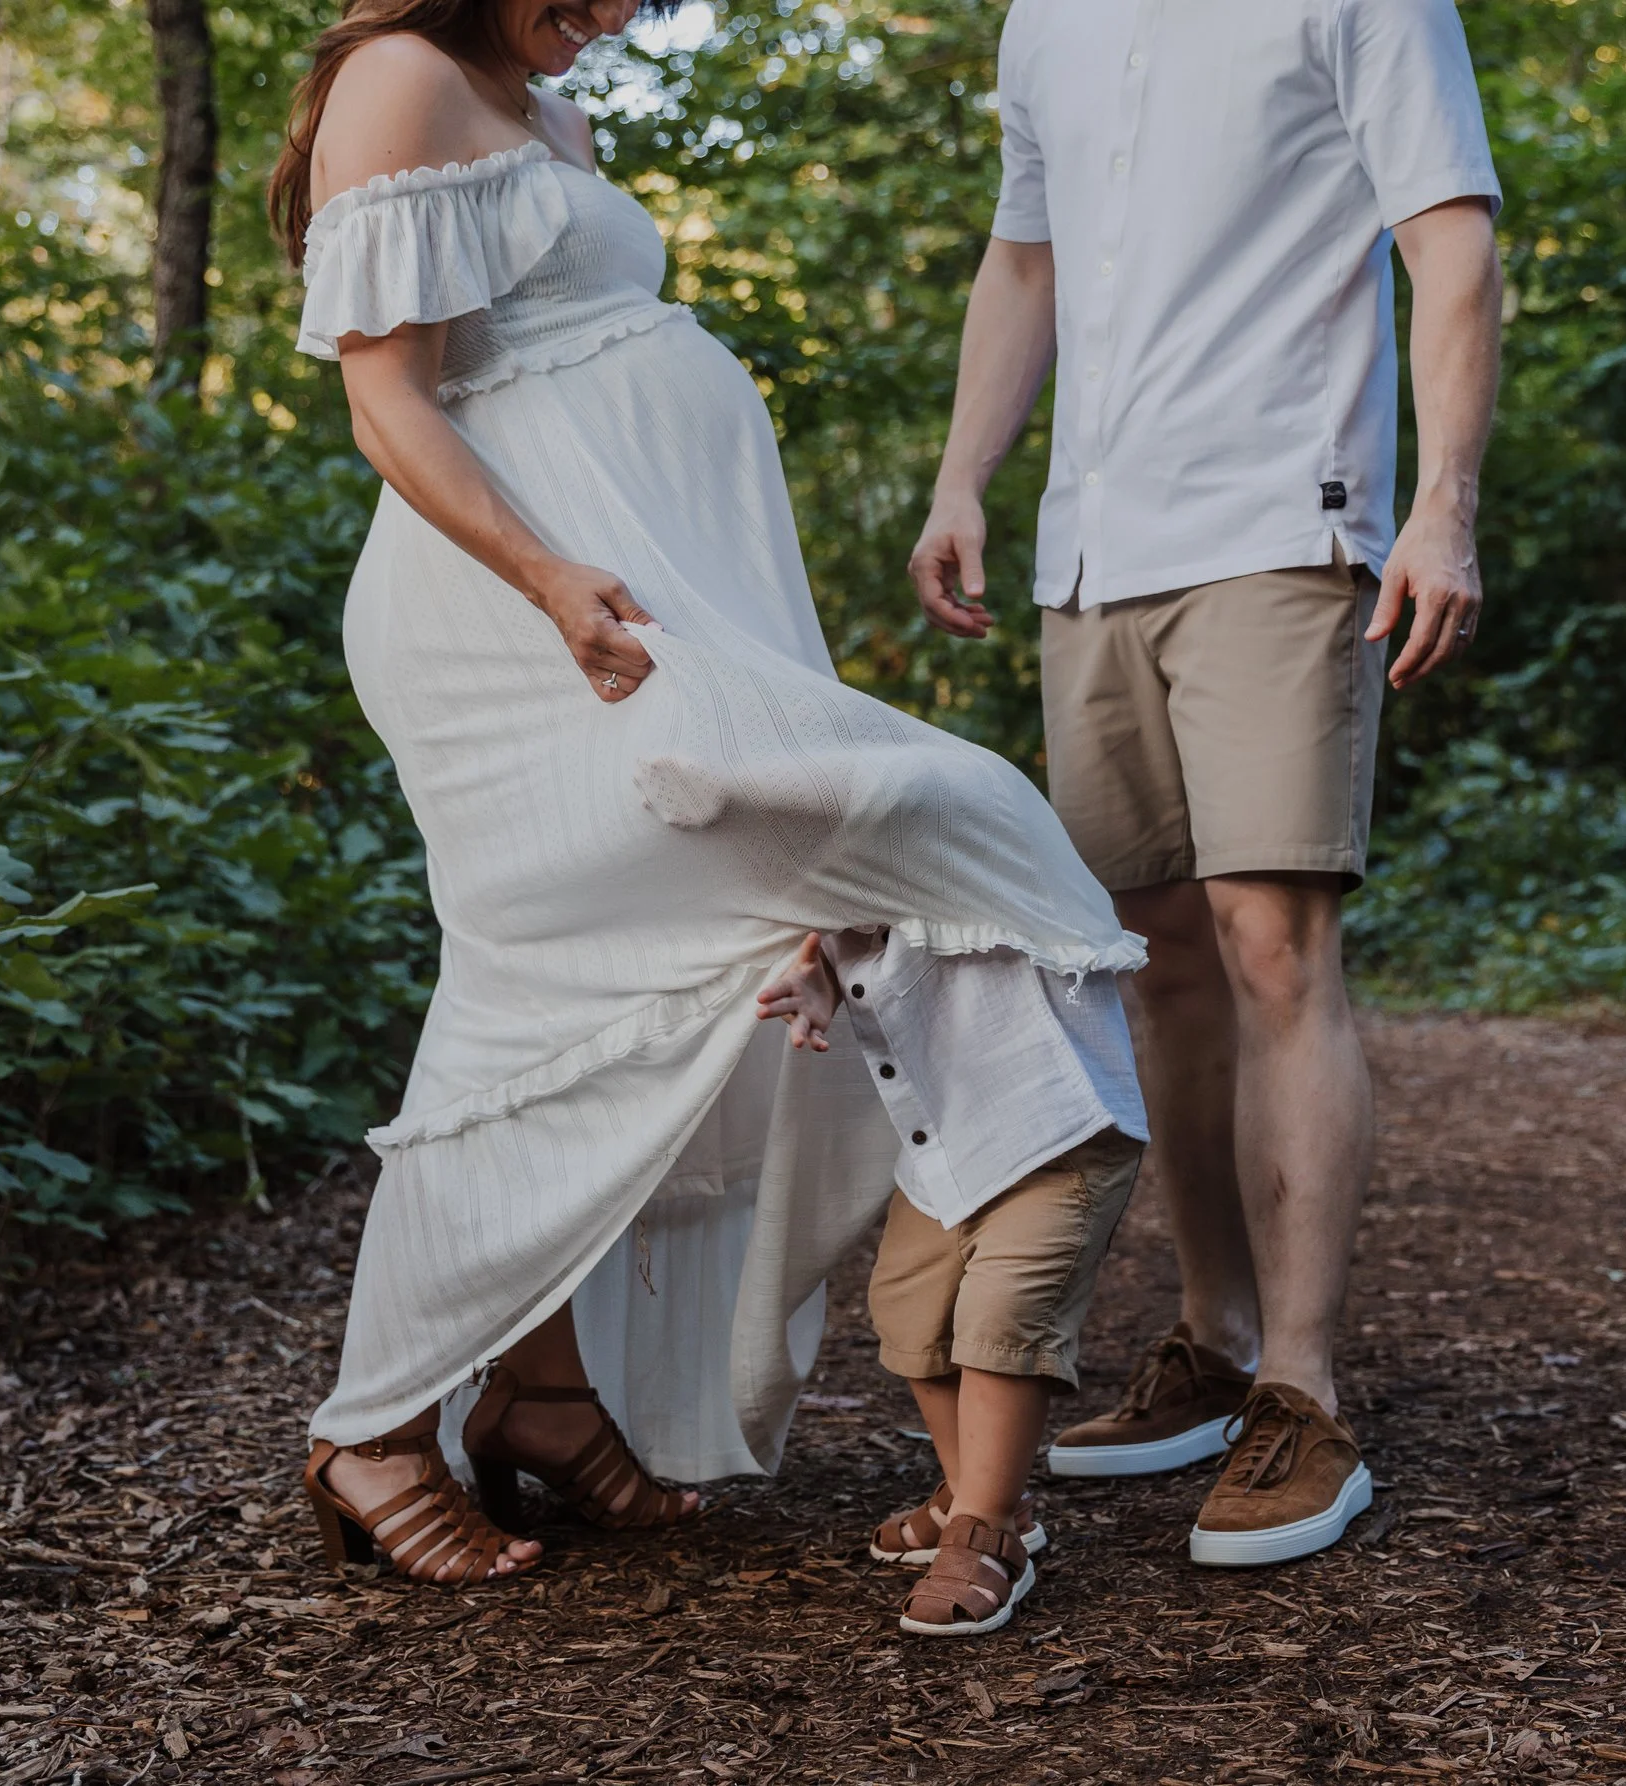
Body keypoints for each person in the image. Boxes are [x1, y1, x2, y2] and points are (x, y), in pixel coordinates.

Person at [270, 0, 1146, 1621]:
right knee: (568, 979)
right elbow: (389, 403)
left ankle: (541, 1390)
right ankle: (373, 1430)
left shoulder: (549, 113)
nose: (612, 21)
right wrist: (548, 579)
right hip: (515, 618)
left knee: (630, 994)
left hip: (633, 608)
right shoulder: (398, 78)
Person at [909, 0, 1505, 1567]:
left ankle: (1304, 1391)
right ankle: (1217, 1336)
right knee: (1153, 953)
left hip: (1280, 518)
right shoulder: (1044, 20)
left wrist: (1443, 505)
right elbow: (1023, 261)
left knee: (1271, 941)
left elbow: (1450, 240)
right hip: (1093, 549)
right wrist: (966, 476)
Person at [755, 931, 1146, 1636]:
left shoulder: (976, 866)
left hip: (1057, 1132)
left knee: (1005, 1318)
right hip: (946, 1149)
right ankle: (978, 1494)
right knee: (911, 1306)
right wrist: (824, 978)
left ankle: (985, 1529)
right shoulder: (844, 899)